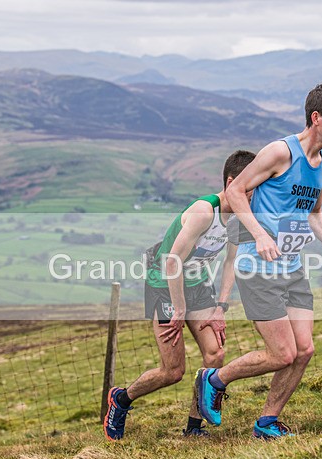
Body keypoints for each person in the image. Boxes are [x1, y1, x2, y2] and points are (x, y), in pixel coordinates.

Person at [195, 83, 322, 439]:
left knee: (304, 350)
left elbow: (315, 213)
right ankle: (214, 379)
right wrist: (260, 234)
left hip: (293, 268)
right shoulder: (280, 152)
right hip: (259, 269)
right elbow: (235, 191)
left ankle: (267, 422)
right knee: (282, 353)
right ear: (317, 118)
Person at [104, 149, 256, 441]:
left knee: (216, 354)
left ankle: (193, 428)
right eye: (250, 190)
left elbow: (230, 262)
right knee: (172, 371)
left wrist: (221, 307)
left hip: (197, 286)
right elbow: (171, 262)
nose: (253, 199)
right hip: (165, 287)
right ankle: (121, 400)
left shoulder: (240, 218)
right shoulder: (204, 212)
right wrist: (178, 307)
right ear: (230, 182)